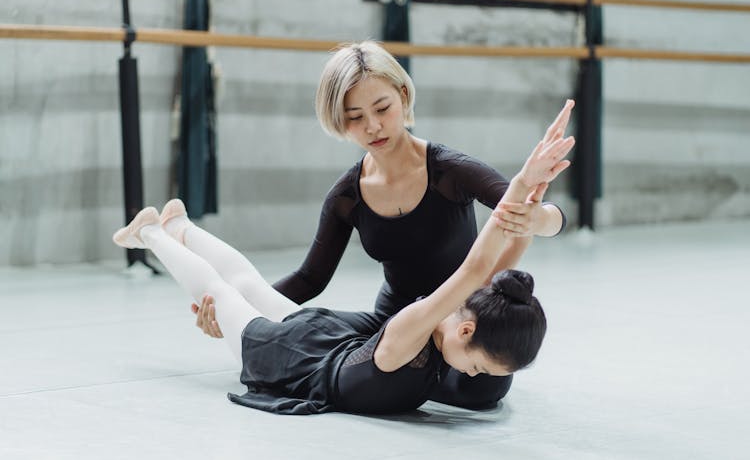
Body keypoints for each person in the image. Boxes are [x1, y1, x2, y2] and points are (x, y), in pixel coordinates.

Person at [193, 41, 572, 409]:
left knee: (482, 389)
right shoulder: (347, 195)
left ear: (403, 96)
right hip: (391, 326)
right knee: (306, 334)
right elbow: (310, 279)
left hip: (460, 323)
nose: (373, 126)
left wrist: (537, 218)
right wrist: (233, 312)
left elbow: (534, 212)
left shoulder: (449, 170)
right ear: (339, 122)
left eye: (382, 108)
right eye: (355, 117)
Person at [112, 124, 574, 415]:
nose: (472, 375)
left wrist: (533, 199)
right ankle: (151, 233)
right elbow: (474, 272)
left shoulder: (448, 329)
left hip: (327, 342)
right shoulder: (412, 331)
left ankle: (181, 225)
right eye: (475, 365)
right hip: (289, 360)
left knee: (246, 283)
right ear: (465, 330)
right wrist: (518, 185)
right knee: (226, 288)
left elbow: (495, 266)